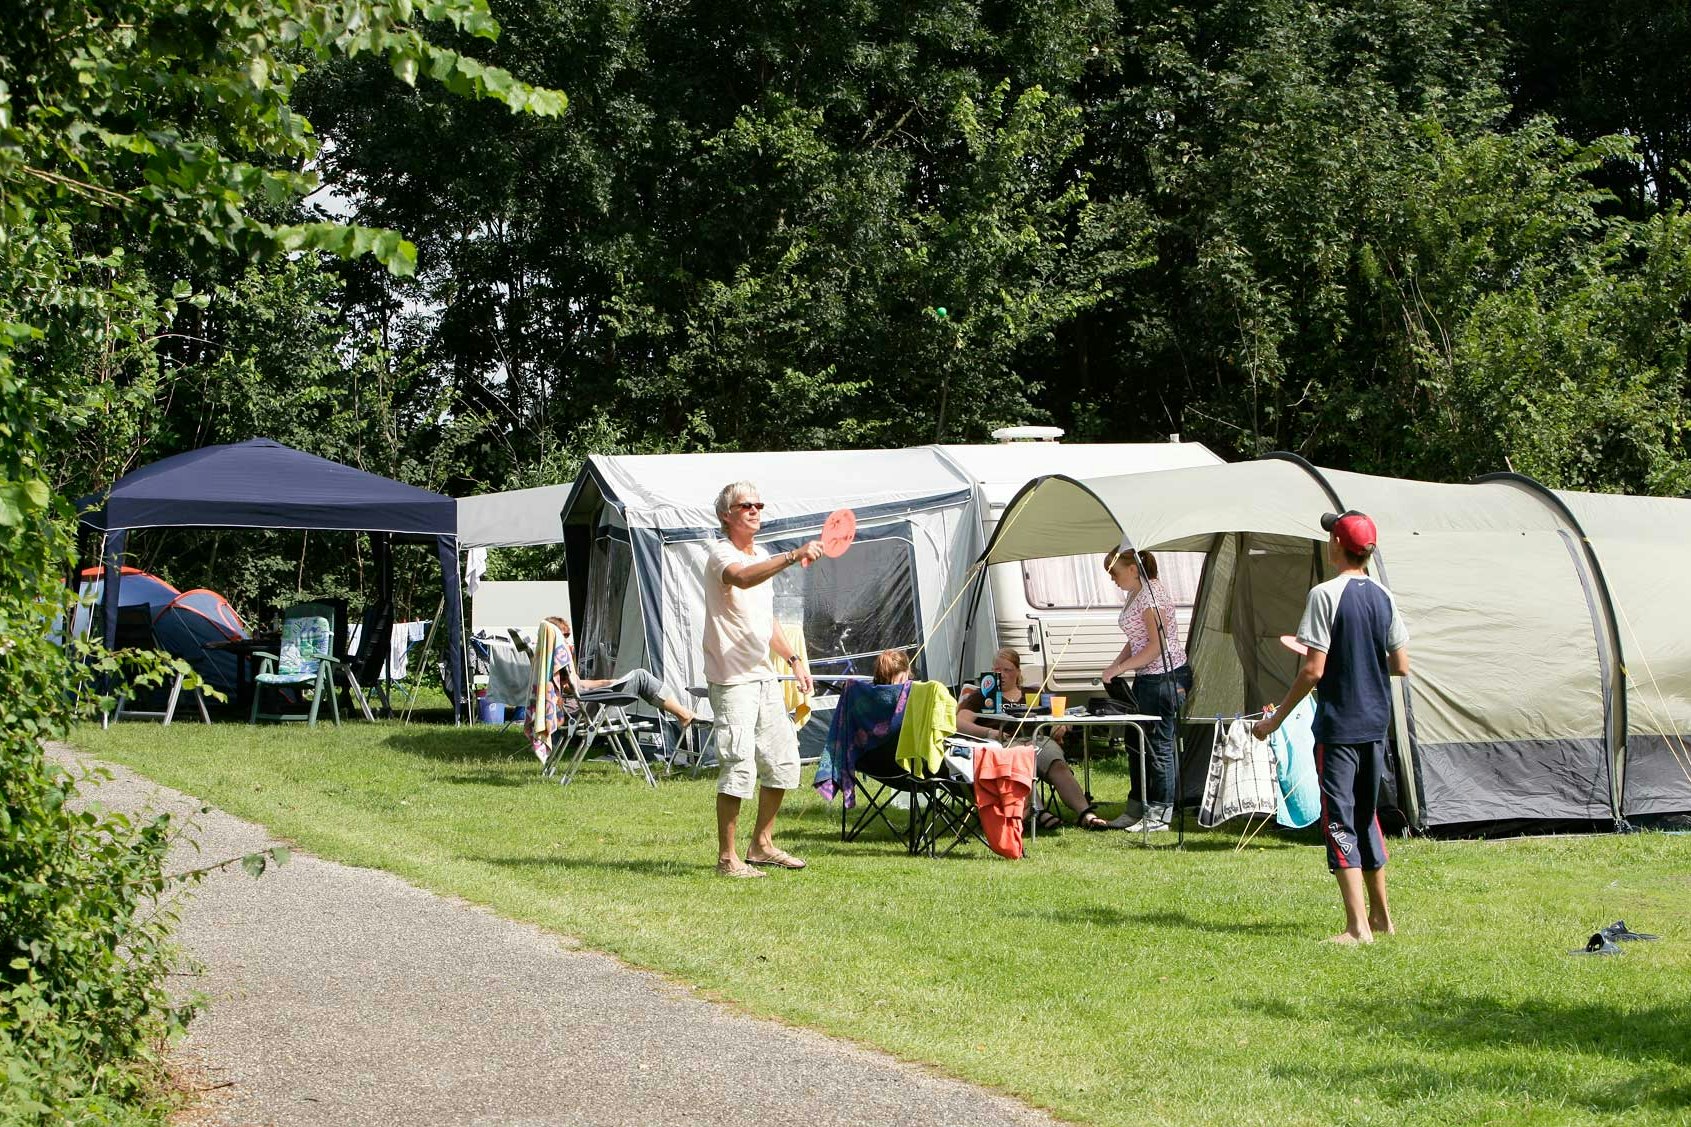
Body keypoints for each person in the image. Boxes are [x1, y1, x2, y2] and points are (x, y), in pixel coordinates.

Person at [1252, 511, 1410, 945]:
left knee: (1339, 820)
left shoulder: (1324, 595)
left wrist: (1274, 721)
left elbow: (1312, 671)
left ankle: (1357, 929)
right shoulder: (1384, 595)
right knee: (1365, 816)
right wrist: (1363, 660)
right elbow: (1401, 664)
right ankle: (1381, 918)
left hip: (1339, 727)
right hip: (1375, 723)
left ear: (1336, 545)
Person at [704, 481, 824, 878]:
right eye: (746, 505)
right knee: (739, 765)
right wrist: (794, 555)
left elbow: (764, 618)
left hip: (763, 675)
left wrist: (793, 659)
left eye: (758, 504)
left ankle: (761, 845)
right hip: (732, 679)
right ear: (727, 515)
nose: (755, 510)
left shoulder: (763, 555)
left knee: (784, 760)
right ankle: (727, 859)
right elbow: (741, 579)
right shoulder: (720, 554)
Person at [954, 647, 1109, 831]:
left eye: (1007, 670)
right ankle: (1038, 811)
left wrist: (1059, 726)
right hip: (1004, 743)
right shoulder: (983, 695)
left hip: (1037, 739)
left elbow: (1054, 716)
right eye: (997, 670)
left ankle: (1086, 814)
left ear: (1018, 672)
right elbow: (959, 722)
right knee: (1020, 761)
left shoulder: (1032, 694)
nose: (1001, 675)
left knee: (1057, 764)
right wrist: (989, 732)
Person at [1100, 548, 1193, 832]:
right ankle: (1136, 809)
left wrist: (1121, 668)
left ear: (1132, 569)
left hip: (1166, 678)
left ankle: (1159, 815)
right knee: (1135, 742)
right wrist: (1115, 665)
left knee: (1158, 745)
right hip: (1146, 677)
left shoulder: (1153, 598)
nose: (1113, 579)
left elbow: (1157, 646)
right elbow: (1136, 639)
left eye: (1114, 573)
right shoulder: (1135, 593)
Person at [541, 615, 695, 727]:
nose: (567, 639)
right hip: (590, 708)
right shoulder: (558, 663)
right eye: (564, 635)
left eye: (568, 635)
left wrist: (607, 682)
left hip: (590, 702)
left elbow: (579, 684)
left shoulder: (548, 662)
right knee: (641, 677)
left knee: (639, 677)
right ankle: (683, 714)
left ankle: (682, 713)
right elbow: (571, 688)